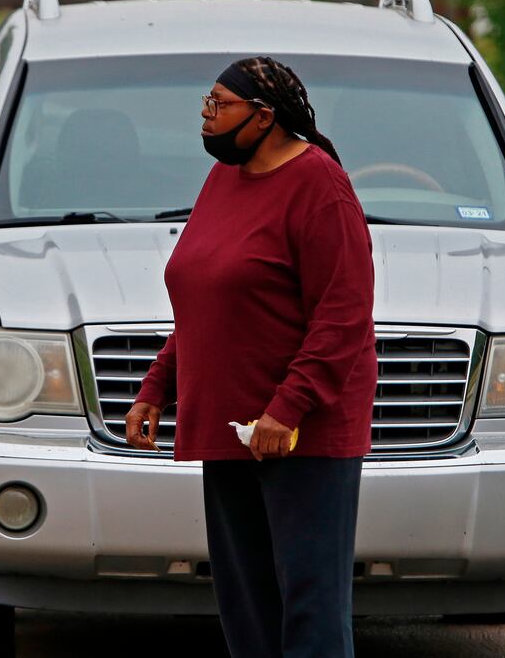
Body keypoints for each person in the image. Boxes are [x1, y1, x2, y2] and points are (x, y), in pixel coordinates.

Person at [125, 56, 377, 658]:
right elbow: (207, 300)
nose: (207, 120)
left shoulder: (320, 186)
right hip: (227, 430)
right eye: (205, 106)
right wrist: (155, 389)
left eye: (219, 106)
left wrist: (286, 410)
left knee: (310, 611)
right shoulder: (224, 181)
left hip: (300, 438)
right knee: (246, 611)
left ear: (263, 117)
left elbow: (342, 317)